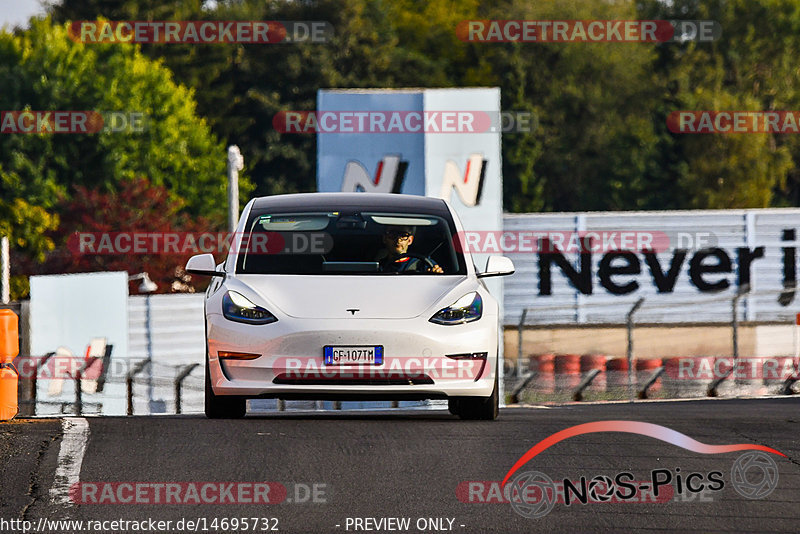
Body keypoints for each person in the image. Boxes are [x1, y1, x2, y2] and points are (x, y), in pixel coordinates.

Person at [377, 225, 444, 274]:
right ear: (384, 238)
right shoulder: (378, 267)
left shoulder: (423, 263)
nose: (398, 240)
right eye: (392, 234)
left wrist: (437, 274)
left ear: (410, 240)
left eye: (403, 235)